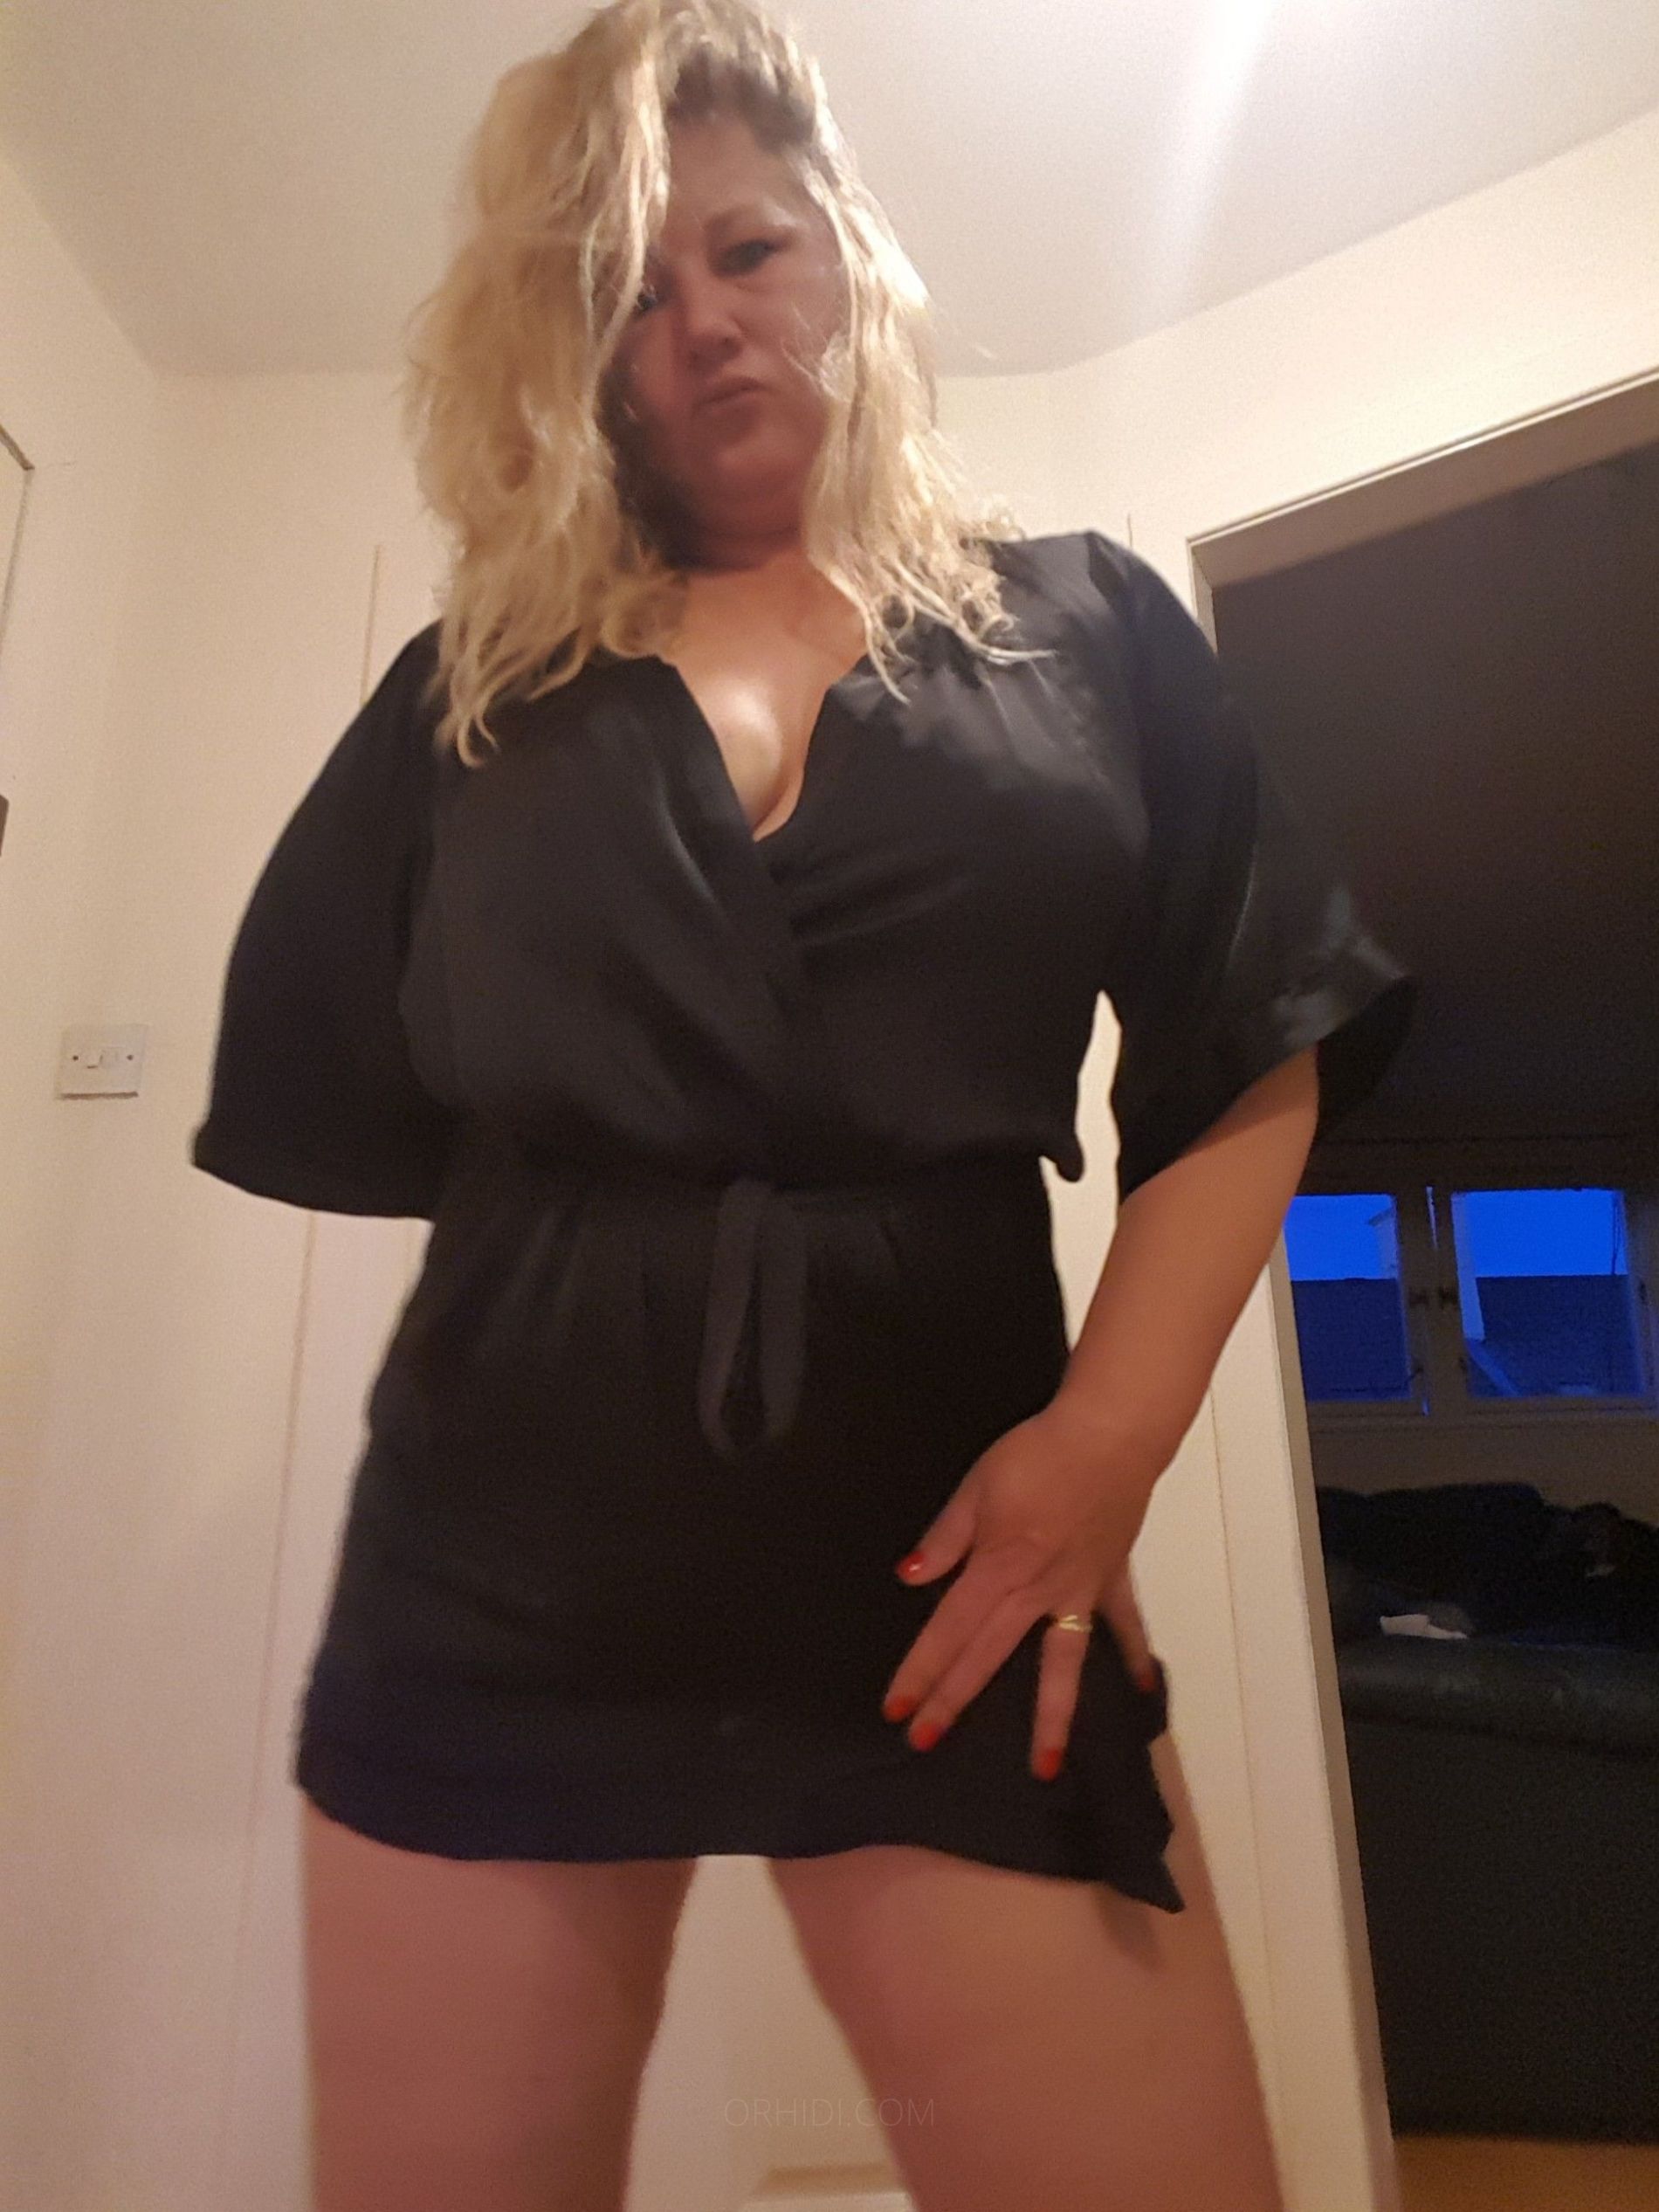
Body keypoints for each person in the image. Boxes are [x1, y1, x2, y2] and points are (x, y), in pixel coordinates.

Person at [189, 2, 1417, 2206]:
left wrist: (1108, 1445)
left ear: (840, 249)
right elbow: (377, 1100)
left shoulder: (1083, 628)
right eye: (627, 292)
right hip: (497, 1582)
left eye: (745, 250)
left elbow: (1258, 1025)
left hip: (956, 1577)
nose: (701, 323)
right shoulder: (472, 695)